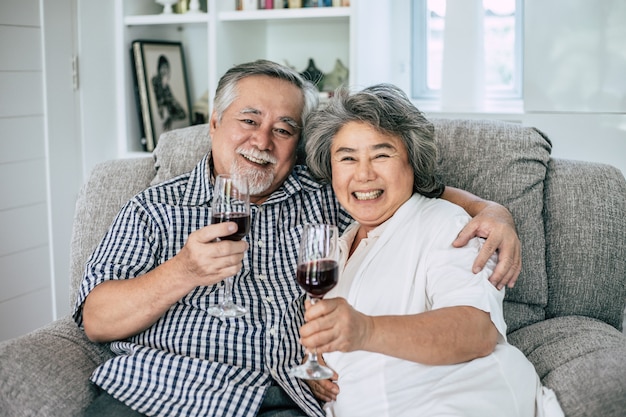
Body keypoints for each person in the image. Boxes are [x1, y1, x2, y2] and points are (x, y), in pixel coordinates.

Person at [74, 60, 521, 417]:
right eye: (248, 120)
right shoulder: (154, 208)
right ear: (213, 123)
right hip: (156, 389)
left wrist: (492, 211)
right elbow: (96, 318)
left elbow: (408, 190)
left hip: (278, 397)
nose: (263, 140)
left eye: (284, 129)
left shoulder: (328, 193)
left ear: (299, 143)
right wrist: (183, 271)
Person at [299, 84, 564, 417]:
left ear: (412, 162)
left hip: (455, 403)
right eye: (347, 158)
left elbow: (476, 331)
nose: (363, 174)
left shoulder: (446, 224)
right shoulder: (338, 246)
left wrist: (365, 330)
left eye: (381, 155)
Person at [152, 54, 187, 132]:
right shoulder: (154, 81)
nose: (165, 70)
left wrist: (171, 118)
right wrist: (163, 87)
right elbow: (159, 104)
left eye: (167, 67)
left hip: (169, 112)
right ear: (159, 68)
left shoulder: (167, 87)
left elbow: (177, 107)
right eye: (163, 67)